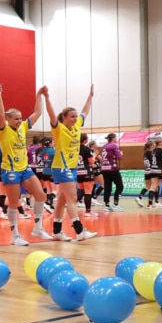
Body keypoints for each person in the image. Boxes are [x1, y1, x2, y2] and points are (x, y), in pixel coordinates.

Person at [0, 84, 51, 246]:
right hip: (10, 170)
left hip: (24, 169)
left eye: (20, 118)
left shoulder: (23, 127)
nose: (19, 121)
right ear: (9, 119)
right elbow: (0, 114)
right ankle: (15, 235)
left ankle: (38, 228)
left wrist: (39, 95)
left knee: (41, 195)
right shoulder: (3, 129)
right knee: (13, 202)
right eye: (16, 118)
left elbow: (38, 113)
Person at [42, 86, 97, 242]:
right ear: (64, 118)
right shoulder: (58, 129)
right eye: (71, 117)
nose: (74, 118)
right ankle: (79, 231)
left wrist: (90, 97)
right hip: (61, 166)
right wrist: (47, 98)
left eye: (75, 116)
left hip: (71, 167)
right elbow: (51, 114)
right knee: (72, 198)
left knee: (62, 199)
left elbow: (85, 111)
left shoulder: (77, 126)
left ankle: (57, 231)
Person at [100, 133, 124, 211]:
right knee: (120, 186)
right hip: (112, 168)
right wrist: (121, 153)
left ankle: (107, 205)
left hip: (104, 169)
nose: (116, 139)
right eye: (116, 137)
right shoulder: (114, 145)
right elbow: (119, 157)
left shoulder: (104, 146)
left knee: (107, 187)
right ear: (113, 138)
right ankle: (115, 204)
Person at [136, 142, 160, 208]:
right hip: (151, 171)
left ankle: (139, 197)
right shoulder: (151, 153)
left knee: (147, 186)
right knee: (155, 186)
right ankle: (156, 202)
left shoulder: (145, 153)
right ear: (151, 146)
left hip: (146, 171)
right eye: (154, 145)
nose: (155, 145)